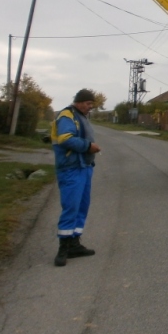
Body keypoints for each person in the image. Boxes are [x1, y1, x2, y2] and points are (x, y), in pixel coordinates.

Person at [51, 89, 102, 267]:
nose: (90, 107)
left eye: (91, 104)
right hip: (71, 168)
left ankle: (75, 243)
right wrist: (89, 146)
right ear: (79, 102)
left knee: (82, 206)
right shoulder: (67, 116)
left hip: (84, 167)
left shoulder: (81, 116)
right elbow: (66, 139)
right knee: (71, 206)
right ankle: (63, 248)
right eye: (88, 104)